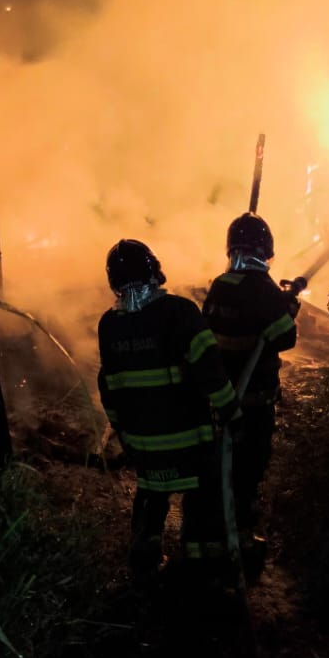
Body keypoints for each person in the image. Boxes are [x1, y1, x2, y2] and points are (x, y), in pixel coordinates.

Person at [98, 239, 240, 582]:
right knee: (202, 499)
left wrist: (123, 432)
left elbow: (110, 386)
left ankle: (144, 559)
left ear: (113, 281)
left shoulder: (109, 325)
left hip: (145, 444)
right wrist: (231, 411)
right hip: (190, 439)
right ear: (155, 271)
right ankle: (201, 568)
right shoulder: (181, 312)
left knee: (150, 495)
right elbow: (210, 370)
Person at [202, 213, 299, 554]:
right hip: (254, 401)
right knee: (248, 471)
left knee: (218, 468)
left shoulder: (219, 284)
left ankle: (209, 538)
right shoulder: (265, 290)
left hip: (221, 398)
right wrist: (288, 310)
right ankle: (239, 539)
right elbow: (284, 337)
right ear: (265, 250)